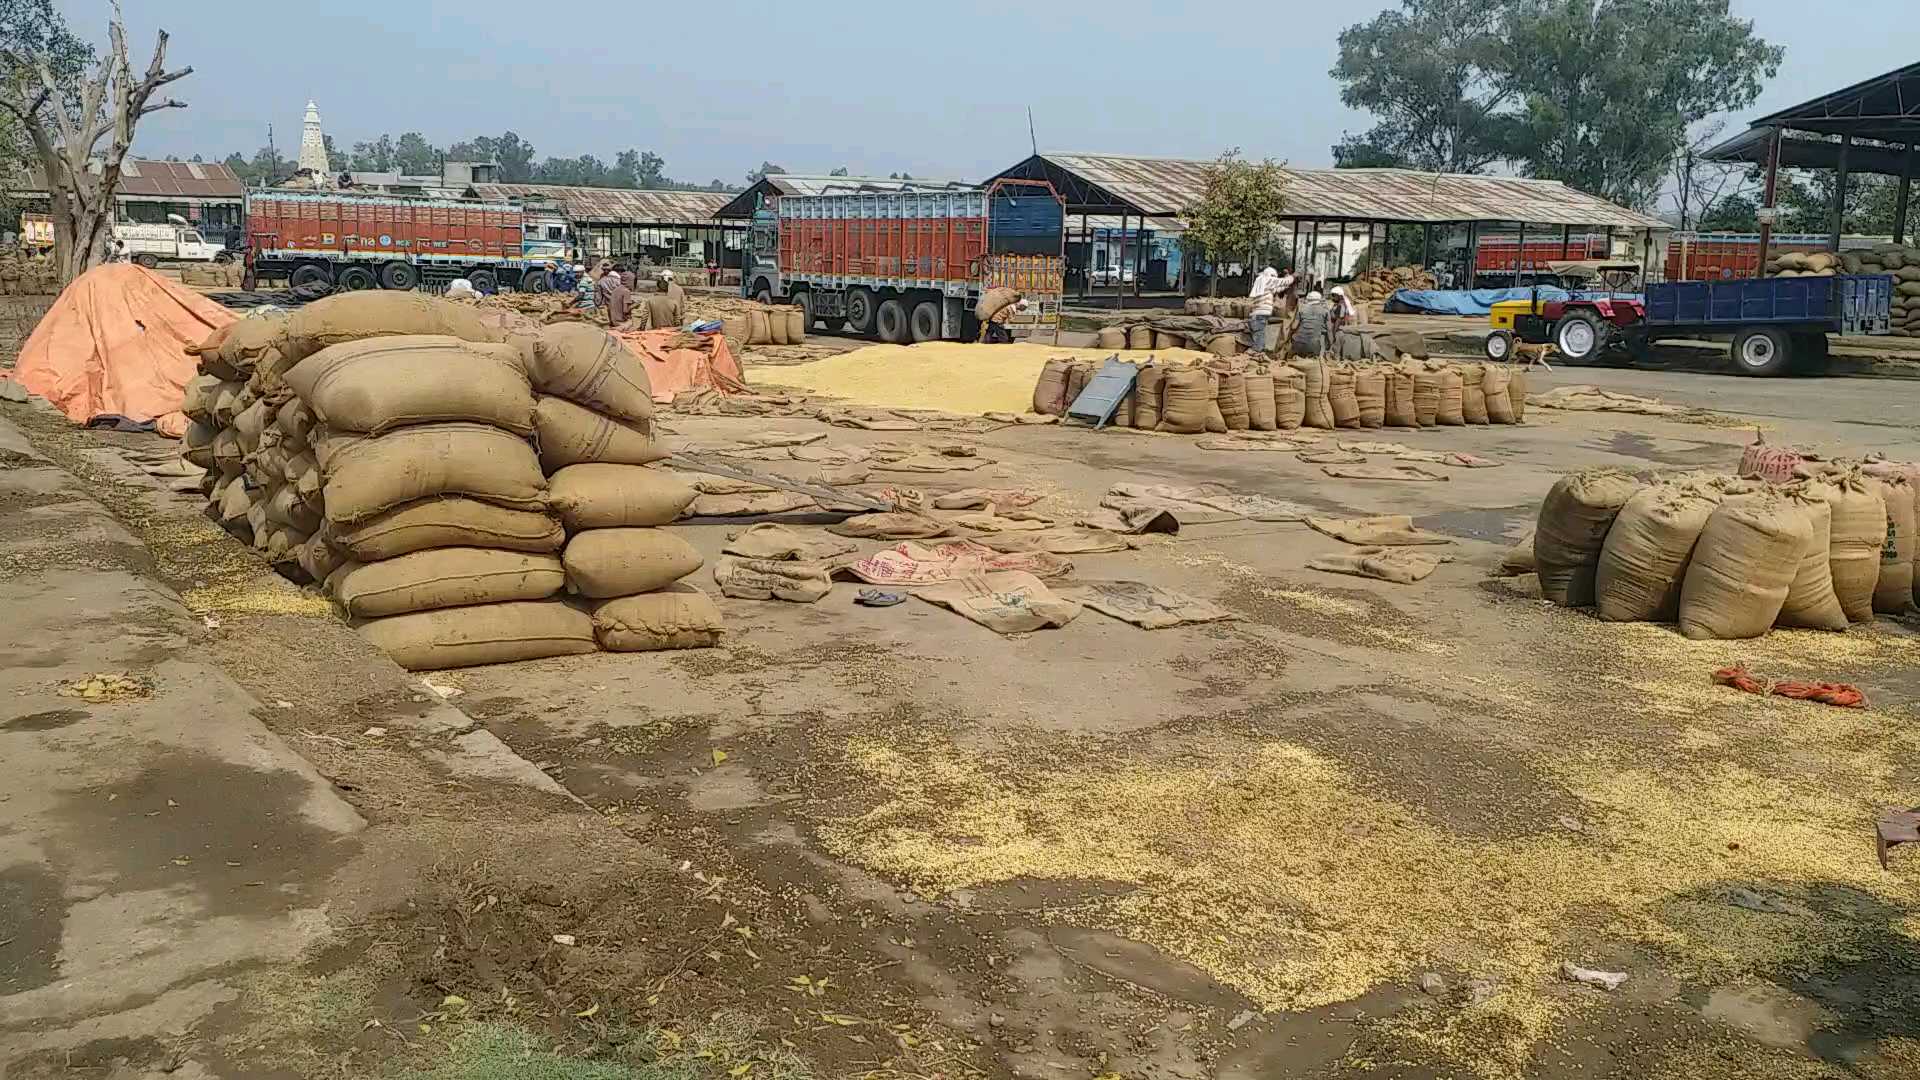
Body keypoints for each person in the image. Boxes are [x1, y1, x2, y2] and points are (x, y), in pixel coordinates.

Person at [1291, 290, 1334, 357]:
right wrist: (1331, 346)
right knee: (1322, 336)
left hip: (1298, 344)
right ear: (1320, 300)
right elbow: (1329, 330)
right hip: (1314, 346)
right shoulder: (1325, 311)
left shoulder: (1301, 309)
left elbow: (1293, 327)